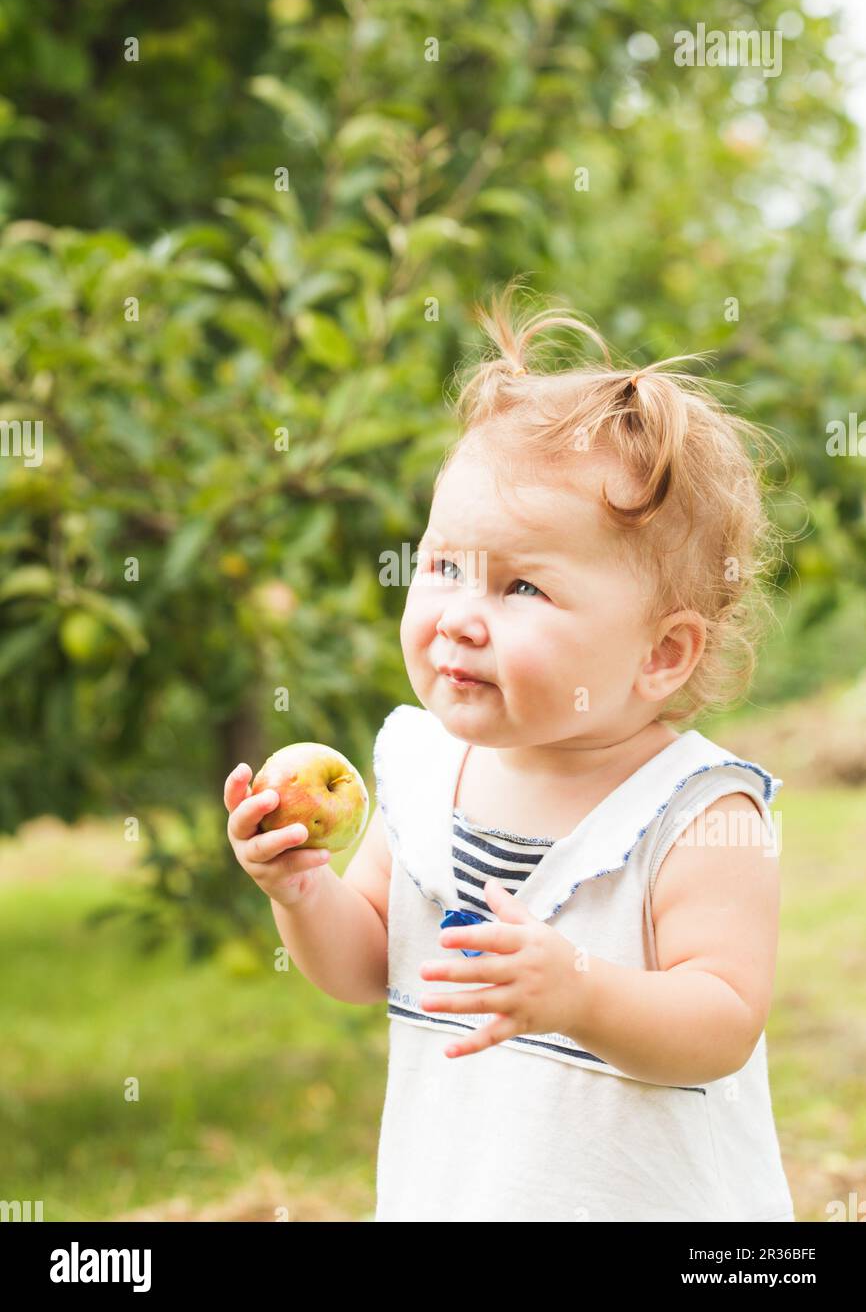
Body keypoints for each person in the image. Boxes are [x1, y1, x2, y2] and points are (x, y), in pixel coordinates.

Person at [224, 282, 795, 1222]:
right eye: (444, 565)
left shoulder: (697, 810)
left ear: (662, 654)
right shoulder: (416, 768)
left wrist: (578, 991)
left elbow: (721, 1022)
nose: (459, 616)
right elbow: (367, 964)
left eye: (522, 586)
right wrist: (303, 891)